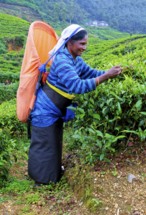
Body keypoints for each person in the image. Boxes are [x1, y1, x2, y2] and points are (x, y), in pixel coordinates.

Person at [28, 24, 122, 185]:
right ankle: (41, 180)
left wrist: (111, 73)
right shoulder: (63, 61)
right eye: (82, 44)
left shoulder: (75, 60)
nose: (84, 47)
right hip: (45, 109)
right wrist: (106, 76)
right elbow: (77, 86)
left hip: (56, 109)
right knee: (44, 145)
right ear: (70, 42)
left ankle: (53, 175)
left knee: (54, 142)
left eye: (86, 44)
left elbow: (92, 73)